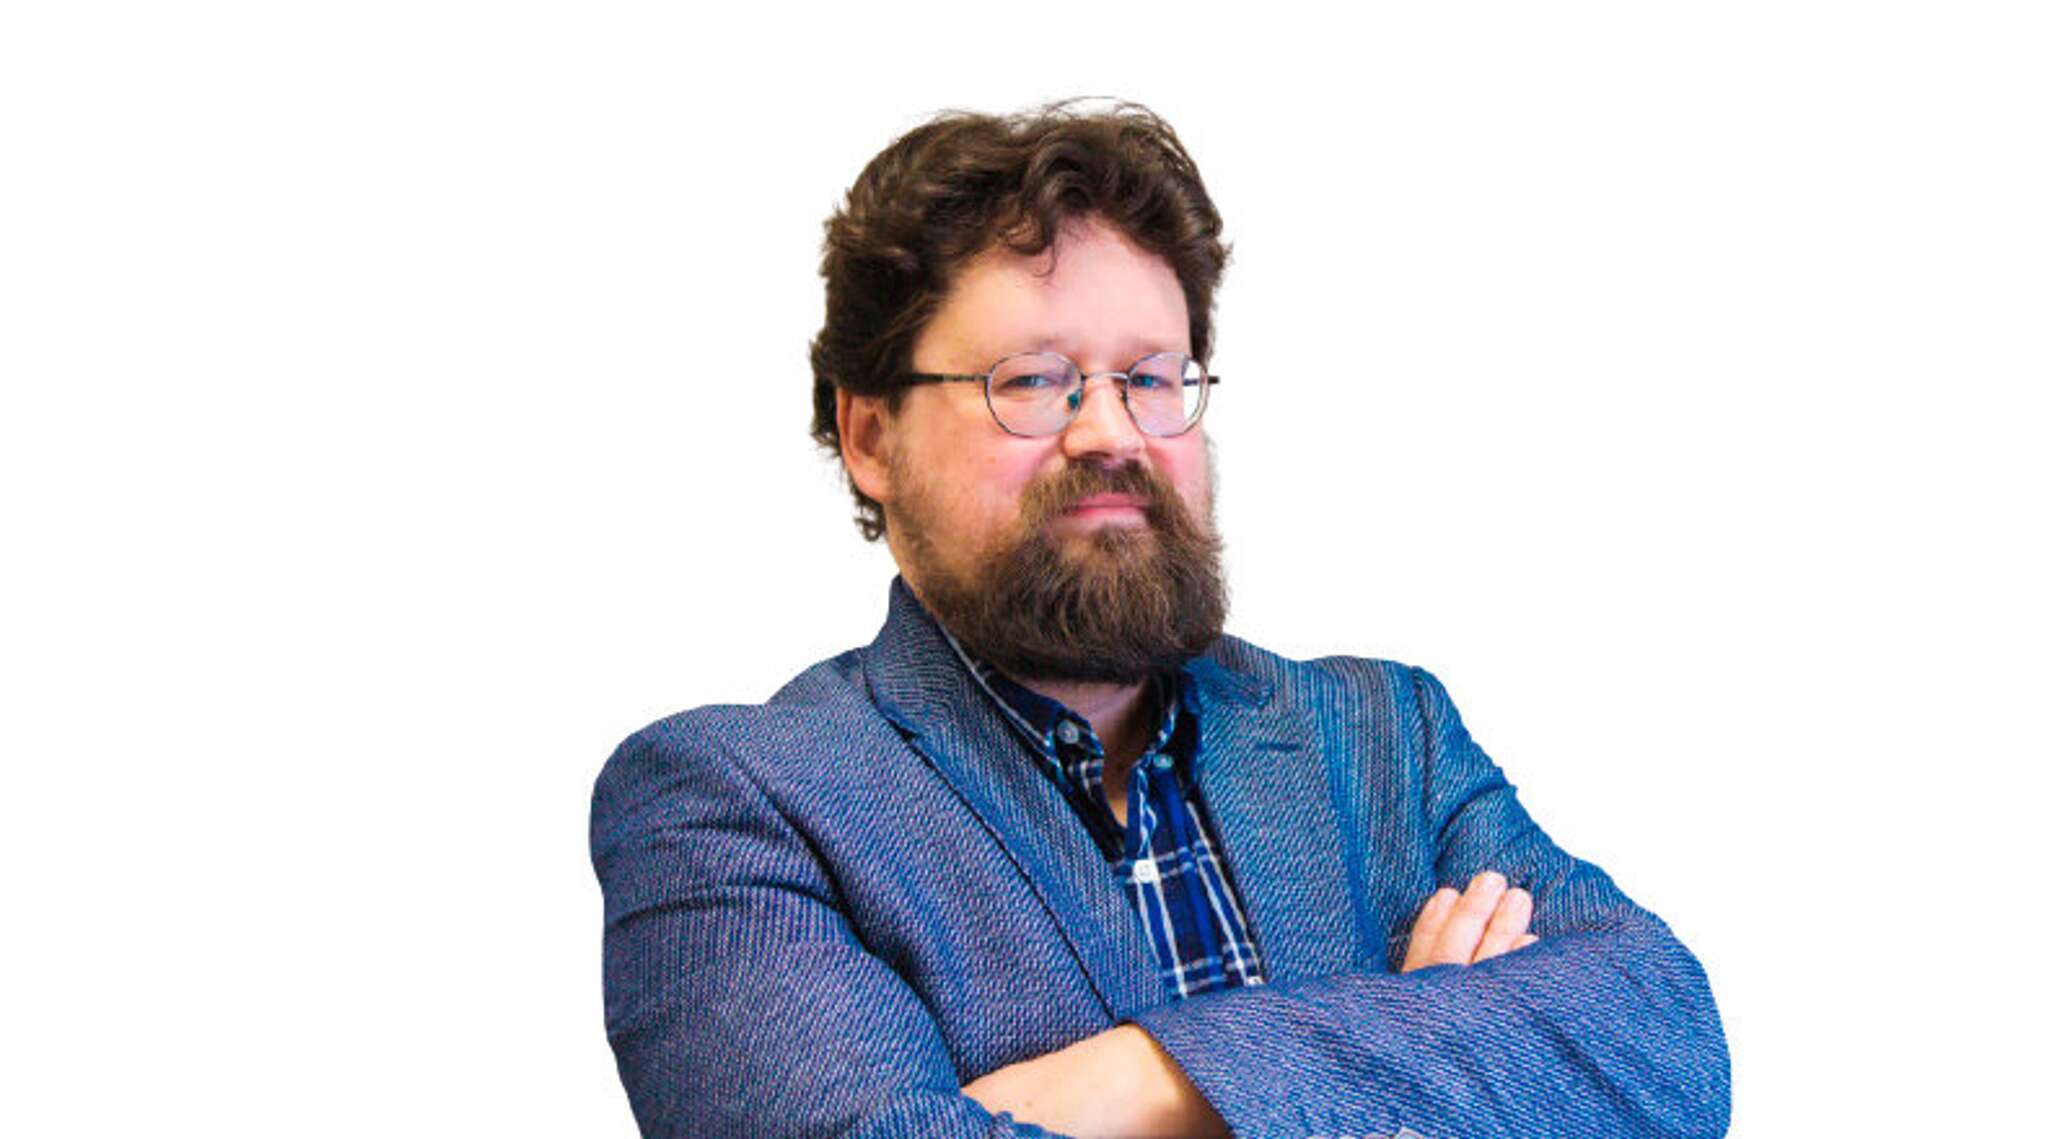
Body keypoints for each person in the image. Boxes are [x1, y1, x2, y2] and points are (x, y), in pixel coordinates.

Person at [589, 100, 1730, 1139]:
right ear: (870, 436)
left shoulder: (1387, 736)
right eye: (1031, 380)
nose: (1110, 432)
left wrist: (1134, 1082)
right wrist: (1432, 1042)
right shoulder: (734, 803)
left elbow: (1668, 1046)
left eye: (1151, 377)